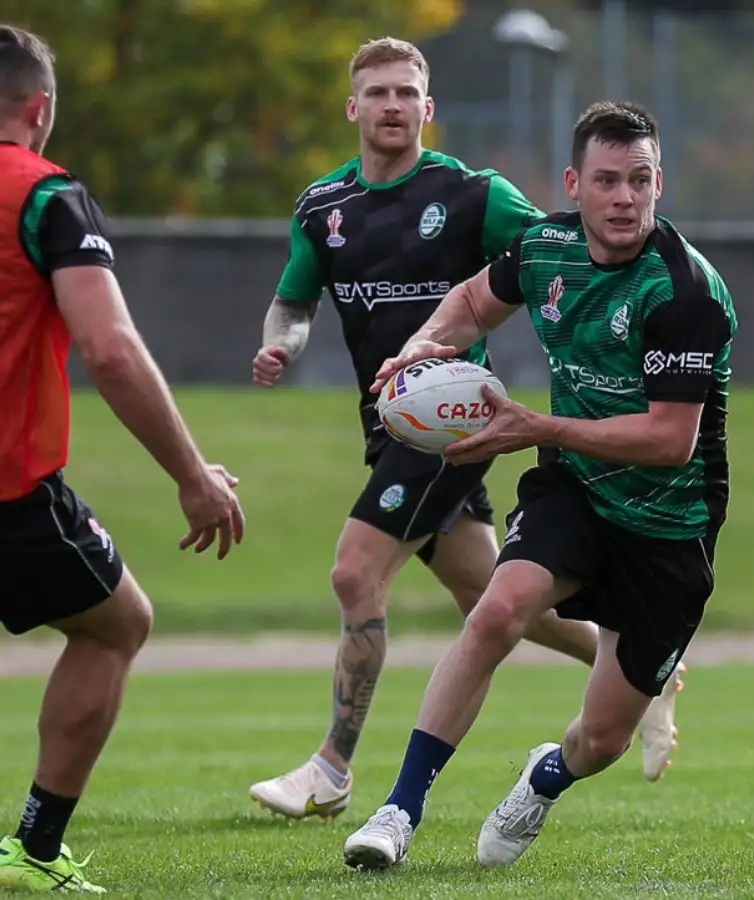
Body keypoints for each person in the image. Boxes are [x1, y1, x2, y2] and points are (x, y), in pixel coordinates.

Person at [247, 40, 685, 822]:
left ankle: (332, 768)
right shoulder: (322, 208)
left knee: (355, 572)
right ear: (353, 108)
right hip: (387, 427)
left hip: (455, 427)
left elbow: (562, 240)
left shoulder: (474, 194)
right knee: (495, 603)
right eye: (376, 92)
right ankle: (646, 674)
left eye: (406, 92)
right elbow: (295, 301)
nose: (391, 105)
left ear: (428, 107)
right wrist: (283, 342)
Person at [341, 99, 737, 871]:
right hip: (576, 493)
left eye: (641, 180)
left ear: (661, 185)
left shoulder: (685, 292)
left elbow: (668, 439)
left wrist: (537, 427)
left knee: (600, 740)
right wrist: (422, 350)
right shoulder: (543, 248)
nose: (625, 198)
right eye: (608, 181)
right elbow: (468, 304)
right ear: (574, 184)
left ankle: (545, 776)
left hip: (667, 528)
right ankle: (398, 811)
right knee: (498, 609)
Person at [0, 25, 244, 894]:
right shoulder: (46, 195)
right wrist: (192, 475)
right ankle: (32, 849)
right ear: (42, 108)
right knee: (116, 623)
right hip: (8, 492)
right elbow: (109, 349)